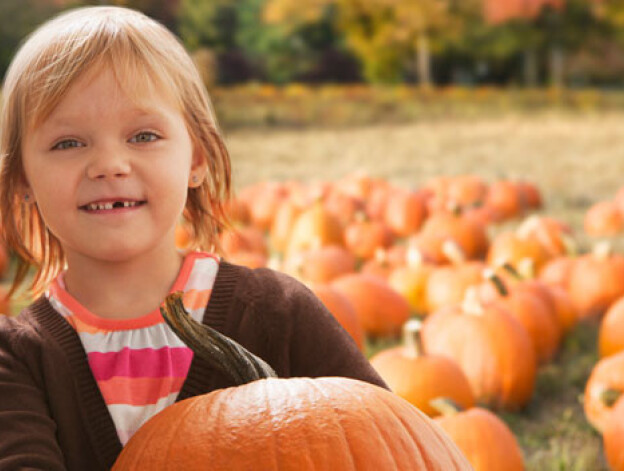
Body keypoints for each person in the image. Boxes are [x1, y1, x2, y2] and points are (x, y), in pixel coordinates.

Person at [0, 6, 387, 470]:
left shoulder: (277, 314)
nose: (109, 163)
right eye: (68, 143)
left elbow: (382, 442)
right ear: (22, 178)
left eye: (143, 135)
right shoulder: (19, 360)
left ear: (197, 158)